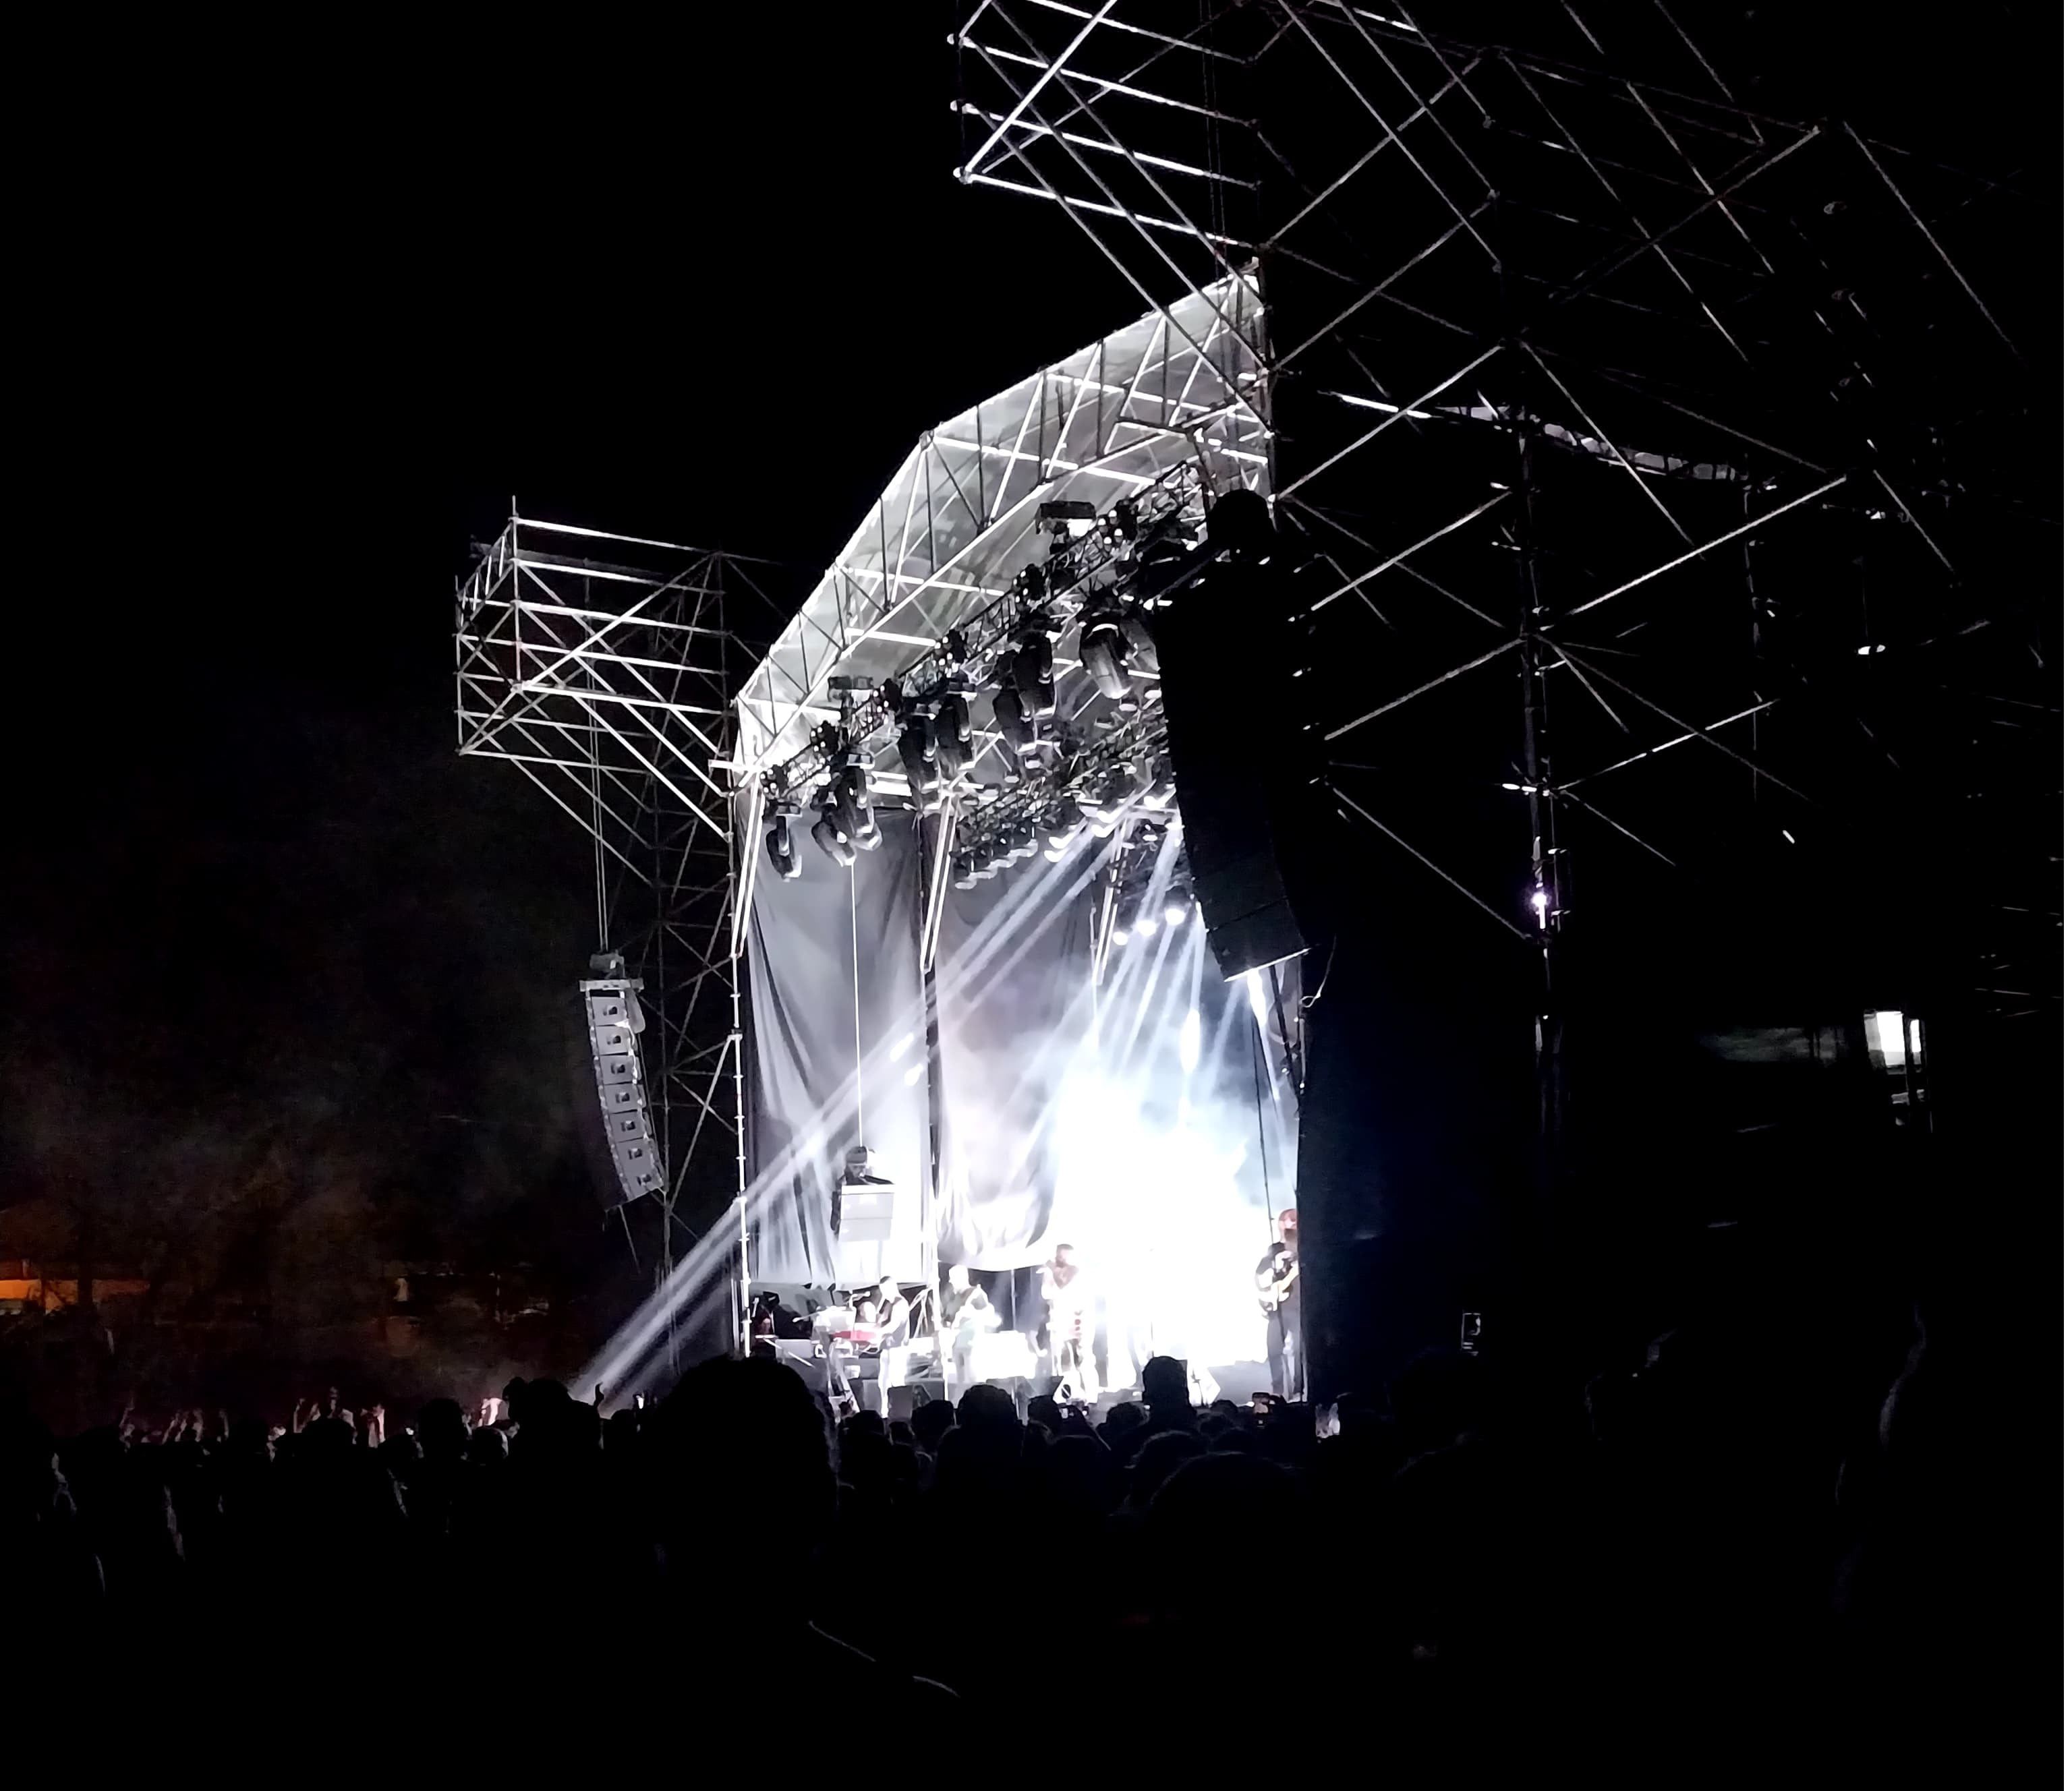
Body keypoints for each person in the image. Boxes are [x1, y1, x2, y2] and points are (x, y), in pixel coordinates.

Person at [1256, 1210, 1304, 1403]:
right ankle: (1277, 1390)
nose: (1288, 1225)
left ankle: (1299, 1389)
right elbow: (1260, 1274)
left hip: (1299, 1306)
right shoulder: (1274, 1249)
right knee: (1274, 1348)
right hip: (1278, 1308)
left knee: (1300, 1350)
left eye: (1292, 1221)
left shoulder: (1305, 1248)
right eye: (1285, 1221)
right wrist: (1265, 1293)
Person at [1041, 1243, 1099, 1404]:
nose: (1060, 1260)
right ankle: (1073, 1395)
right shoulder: (1052, 1271)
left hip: (1080, 1321)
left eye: (1064, 1257)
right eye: (1059, 1257)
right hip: (1061, 1322)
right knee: (1065, 1361)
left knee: (1084, 1358)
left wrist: (1052, 1268)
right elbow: (1046, 1293)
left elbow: (1063, 1282)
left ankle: (1092, 1397)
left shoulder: (1076, 1270)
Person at [941, 1265, 996, 1400]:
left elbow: (989, 1313)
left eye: (953, 1278)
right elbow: (949, 1318)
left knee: (973, 1379)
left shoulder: (976, 1294)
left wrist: (973, 1313)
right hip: (957, 1343)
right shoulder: (955, 1298)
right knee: (962, 1381)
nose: (950, 1282)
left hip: (972, 1343)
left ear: (962, 1278)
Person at [870, 1276, 912, 1419]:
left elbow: (894, 1325)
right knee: (883, 1381)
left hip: (898, 1348)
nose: (884, 1294)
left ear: (892, 1287)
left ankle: (902, 1414)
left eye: (885, 1290)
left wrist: (877, 1333)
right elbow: (881, 1321)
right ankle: (885, 1412)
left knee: (896, 1381)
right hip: (887, 1348)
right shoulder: (889, 1304)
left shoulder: (901, 1304)